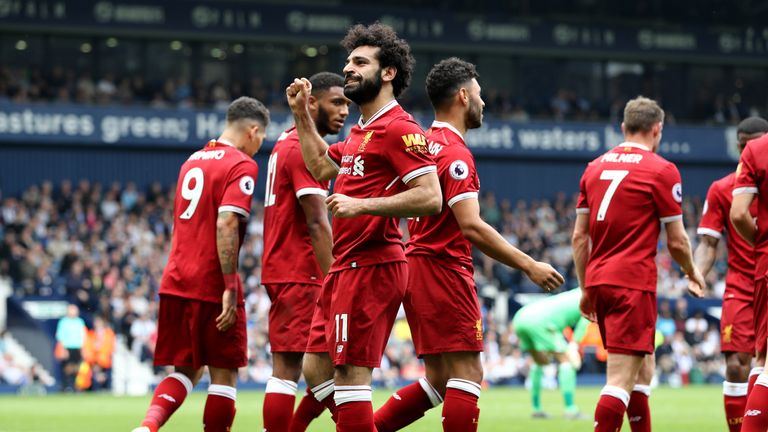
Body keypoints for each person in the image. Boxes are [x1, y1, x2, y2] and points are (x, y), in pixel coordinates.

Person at [370, 57, 563, 432]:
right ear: (462, 96)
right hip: (443, 268)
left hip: (417, 267)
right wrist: (529, 265)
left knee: (439, 380)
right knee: (469, 373)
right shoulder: (456, 154)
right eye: (479, 94)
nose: (484, 102)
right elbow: (471, 226)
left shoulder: (421, 144)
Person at [286, 23, 442, 431]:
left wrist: (361, 205)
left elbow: (431, 197)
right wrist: (302, 113)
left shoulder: (400, 129)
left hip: (373, 266)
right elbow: (320, 165)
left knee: (351, 379)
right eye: (347, 62)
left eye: (359, 62)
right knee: (316, 369)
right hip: (346, 266)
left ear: (388, 72)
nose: (348, 70)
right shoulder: (360, 131)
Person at [132, 96, 269, 432]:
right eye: (262, 138)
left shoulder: (191, 161)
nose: (259, 146)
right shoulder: (240, 164)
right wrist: (230, 285)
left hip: (176, 278)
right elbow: (225, 223)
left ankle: (147, 427)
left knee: (186, 369)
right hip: (210, 282)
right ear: (253, 130)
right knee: (224, 373)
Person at [572, 96, 705, 432]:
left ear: (623, 128)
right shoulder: (662, 170)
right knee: (619, 378)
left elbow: (578, 238)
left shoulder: (594, 168)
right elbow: (676, 241)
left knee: (643, 370)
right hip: (632, 283)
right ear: (657, 129)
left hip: (600, 280)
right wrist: (692, 271)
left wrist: (586, 288)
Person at [261, 72, 350, 432]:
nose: (345, 110)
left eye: (347, 103)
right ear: (311, 102)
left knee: (317, 368)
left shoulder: (285, 142)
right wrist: (335, 280)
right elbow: (316, 221)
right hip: (302, 271)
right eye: (337, 102)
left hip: (286, 268)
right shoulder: (302, 147)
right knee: (290, 369)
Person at [695, 117, 768, 432]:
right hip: (741, 287)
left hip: (763, 274)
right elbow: (708, 242)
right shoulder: (723, 189)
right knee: (738, 365)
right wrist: (697, 272)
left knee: (763, 361)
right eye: (741, 145)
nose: (745, 150)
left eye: (750, 144)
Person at [732, 121, 768, 432]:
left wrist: (761, 242)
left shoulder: (757, 152)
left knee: (762, 357)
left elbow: (738, 214)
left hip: (765, 266)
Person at [512, 287, 590, 420]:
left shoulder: (577, 291)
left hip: (520, 317)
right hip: (541, 322)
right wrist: (574, 344)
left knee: (539, 361)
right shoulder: (591, 297)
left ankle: (536, 409)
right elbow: (585, 321)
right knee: (567, 361)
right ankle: (570, 409)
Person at [55, 303, 86, 392]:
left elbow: (83, 336)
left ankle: (76, 387)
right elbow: (60, 336)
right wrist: (63, 349)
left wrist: (83, 348)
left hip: (77, 348)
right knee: (67, 368)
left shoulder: (80, 321)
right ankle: (66, 387)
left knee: (77, 368)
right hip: (67, 347)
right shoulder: (63, 322)